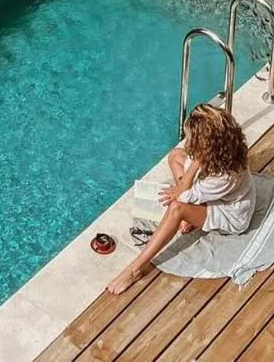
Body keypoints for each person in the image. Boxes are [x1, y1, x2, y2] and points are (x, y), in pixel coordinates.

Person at [105, 103, 256, 296]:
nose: (188, 143)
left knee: (176, 208)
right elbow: (185, 182)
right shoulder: (225, 150)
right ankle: (191, 217)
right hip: (211, 192)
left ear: (206, 146)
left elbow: (183, 196)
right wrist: (196, 164)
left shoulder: (226, 177)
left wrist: (190, 172)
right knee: (175, 156)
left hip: (229, 214)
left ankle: (135, 269)